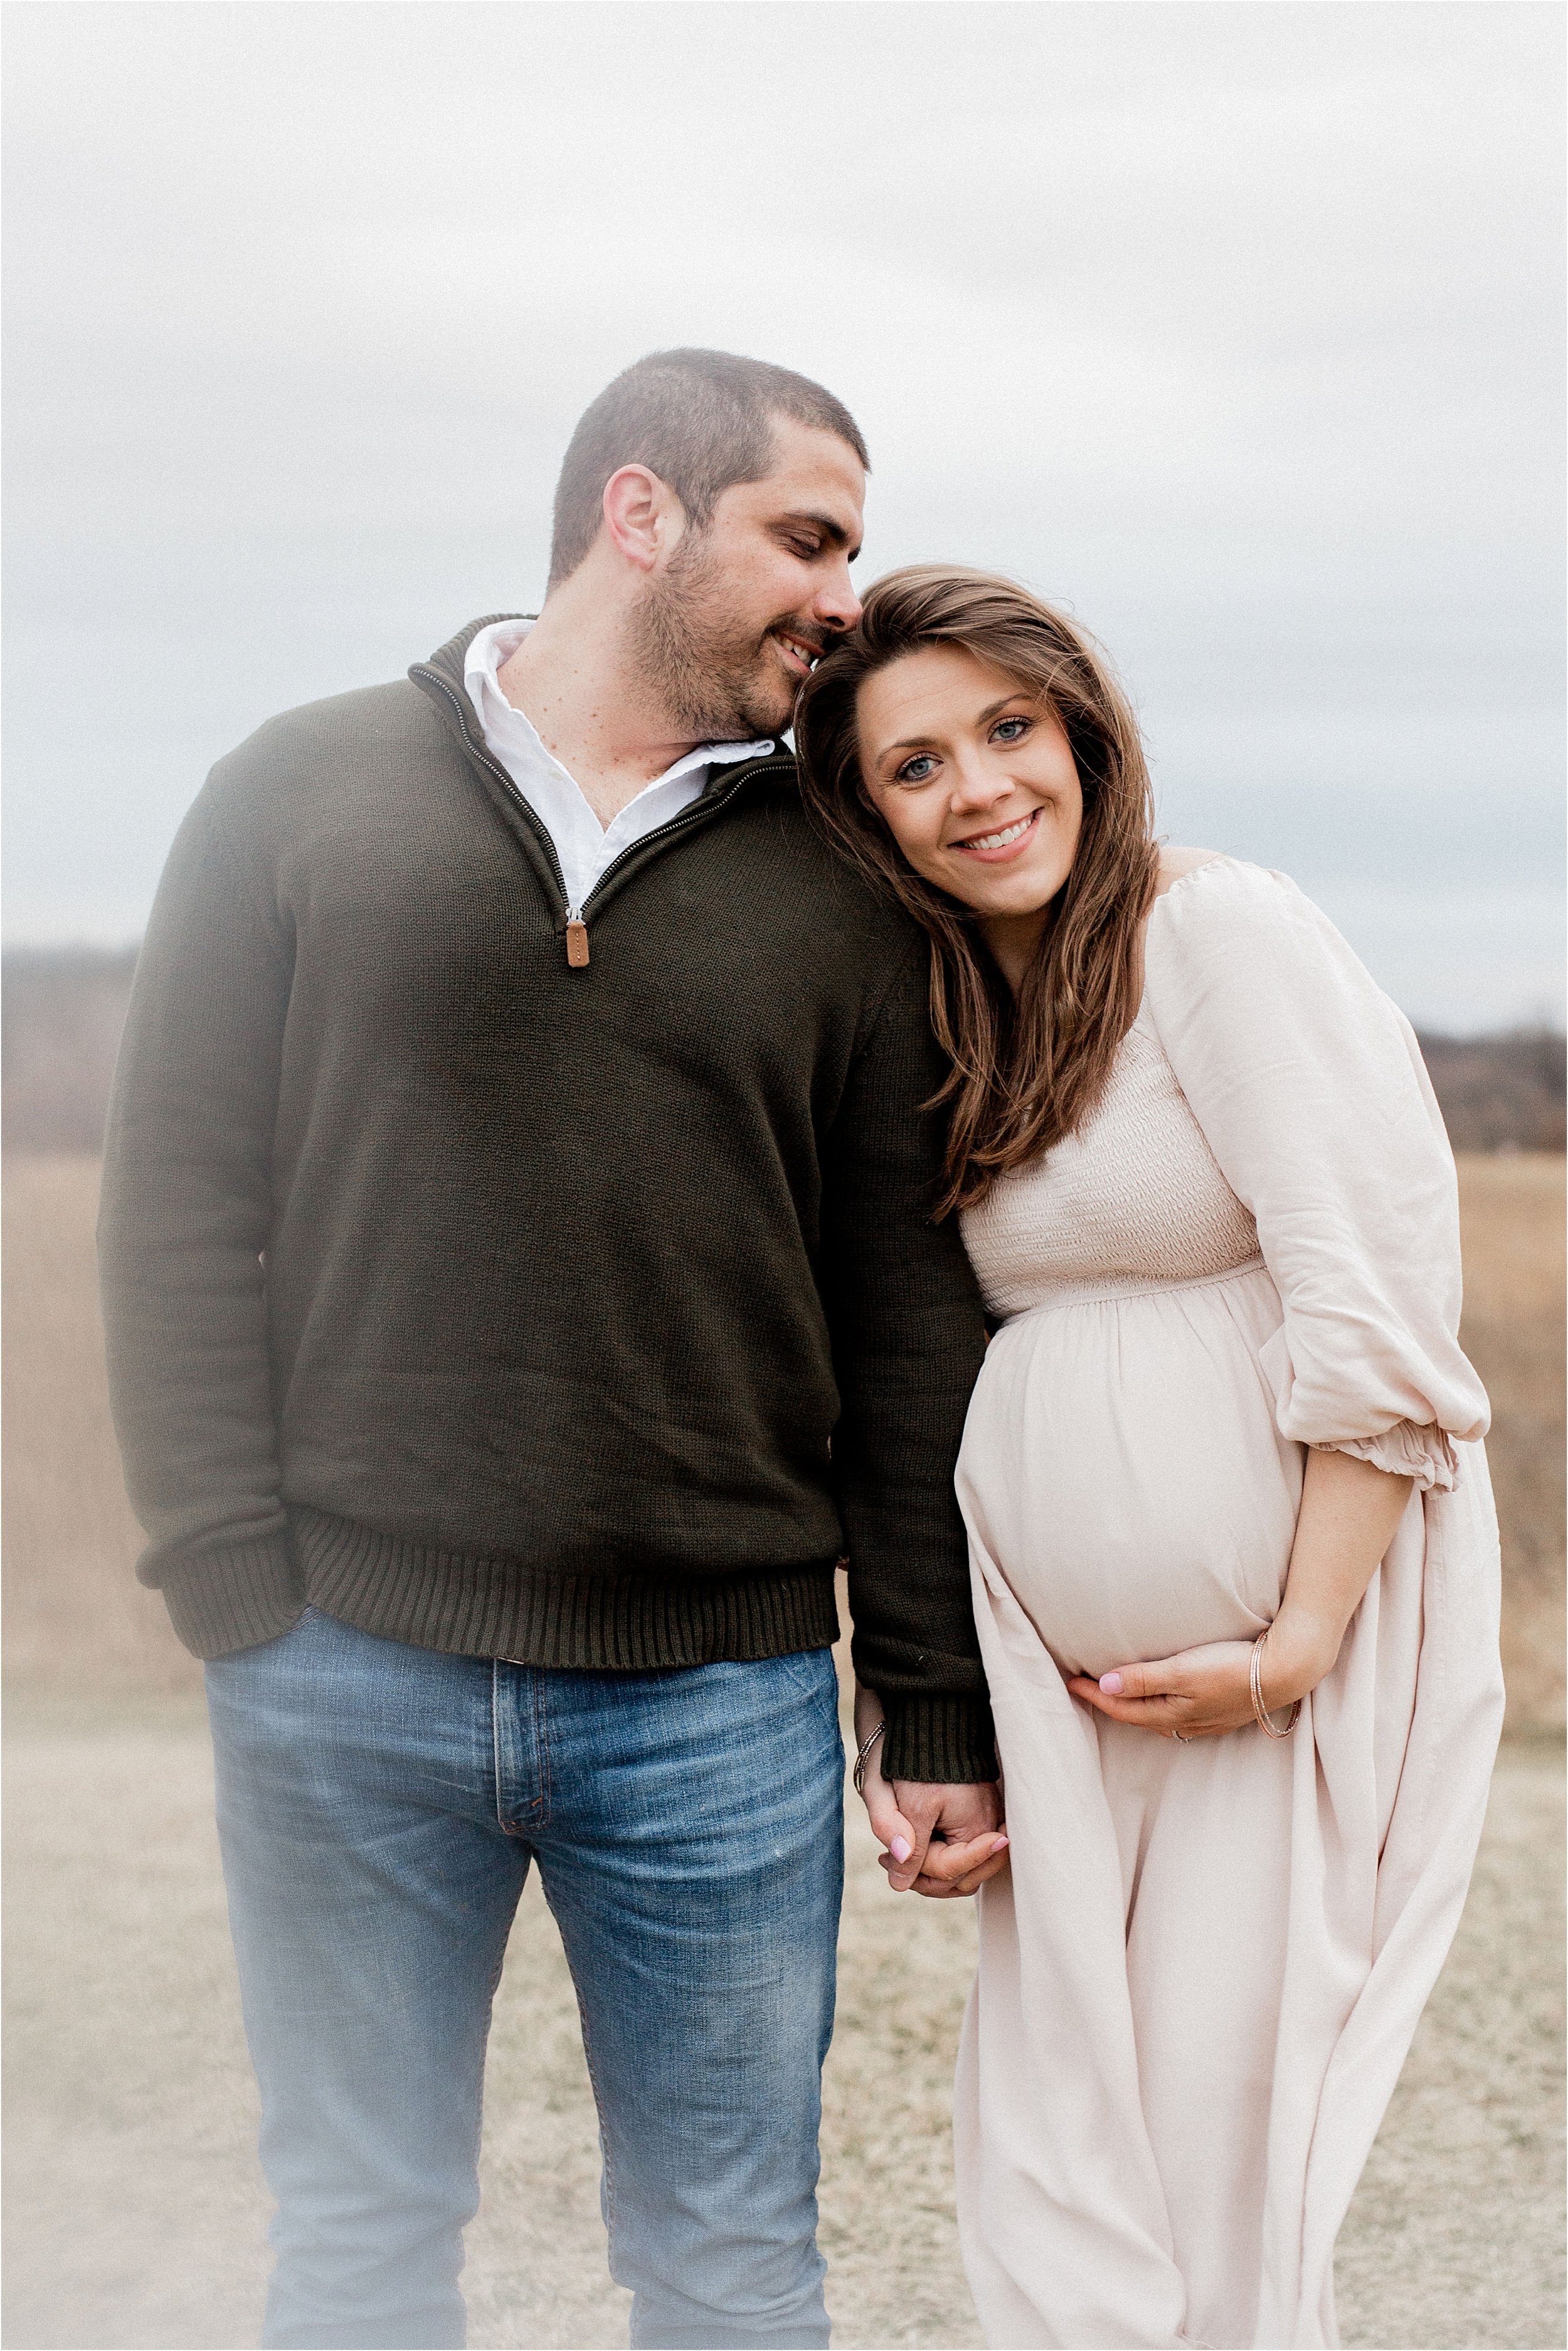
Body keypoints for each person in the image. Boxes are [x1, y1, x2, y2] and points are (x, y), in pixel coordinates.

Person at [96, 354, 1010, 2351]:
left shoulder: (850, 881)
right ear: (638, 512)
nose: (843, 595)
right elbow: (173, 1207)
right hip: (340, 1670)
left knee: (731, 2264)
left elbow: (906, 1304)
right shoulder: (296, 785)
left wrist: (928, 1694)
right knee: (354, 2245)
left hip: (720, 1703)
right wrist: (227, 1577)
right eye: (808, 534)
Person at [795, 565, 1505, 2351]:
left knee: (1215, 2159)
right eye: (914, 766)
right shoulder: (967, 1006)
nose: (976, 789)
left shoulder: (1213, 931)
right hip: (1074, 1692)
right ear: (867, 811)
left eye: (1006, 730)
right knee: (1056, 2165)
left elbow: (1371, 1302)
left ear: (1084, 730)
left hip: (1269, 1668)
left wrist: (1291, 1643)